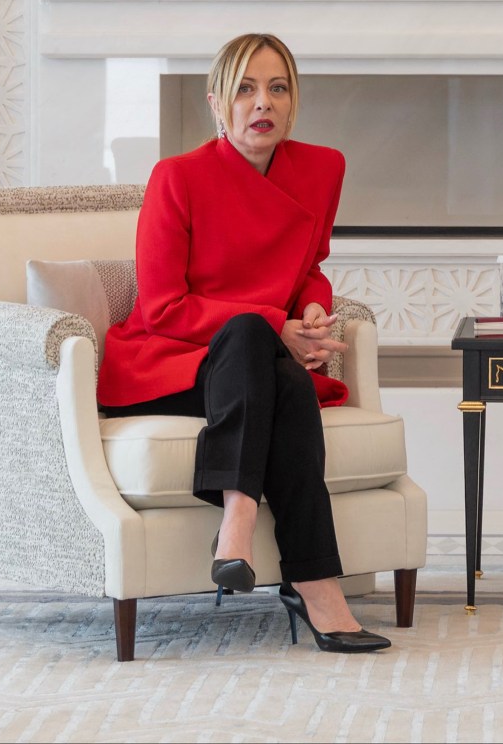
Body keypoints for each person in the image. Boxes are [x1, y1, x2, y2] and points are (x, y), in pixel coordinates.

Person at [97, 33, 389, 654]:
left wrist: (312, 310)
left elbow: (310, 265)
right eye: (245, 89)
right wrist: (274, 324)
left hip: (259, 362)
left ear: (293, 101)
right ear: (217, 103)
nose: (263, 103)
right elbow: (162, 307)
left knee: (277, 368)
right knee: (257, 339)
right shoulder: (177, 177)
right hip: (174, 360)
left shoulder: (322, 169)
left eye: (278, 89)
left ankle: (262, 545)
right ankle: (288, 559)